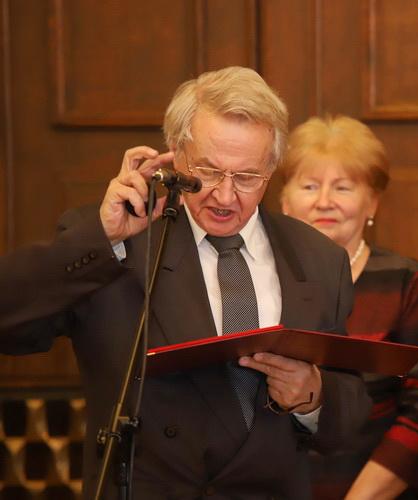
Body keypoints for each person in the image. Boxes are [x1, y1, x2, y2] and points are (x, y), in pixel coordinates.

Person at [0, 67, 371, 499]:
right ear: (175, 156)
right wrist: (103, 239)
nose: (225, 196)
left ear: (272, 168)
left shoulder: (318, 259)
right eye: (208, 171)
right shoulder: (118, 241)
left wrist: (313, 396)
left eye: (247, 177)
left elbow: (350, 418)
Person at [279, 115, 418, 499]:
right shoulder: (256, 280)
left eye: (343, 187)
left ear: (373, 202)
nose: (324, 201)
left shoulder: (405, 281)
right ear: (284, 201)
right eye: (309, 186)